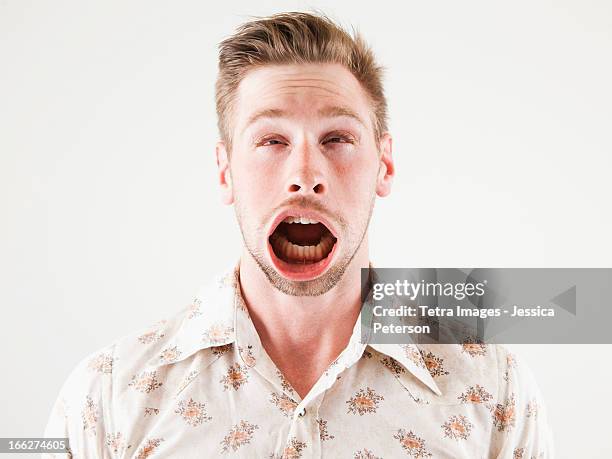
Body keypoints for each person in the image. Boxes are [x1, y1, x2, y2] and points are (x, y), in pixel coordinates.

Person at [43, 11, 553, 458]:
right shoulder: (109, 394)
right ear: (225, 172)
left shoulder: (491, 389)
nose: (305, 173)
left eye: (337, 138)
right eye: (271, 140)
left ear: (385, 164)